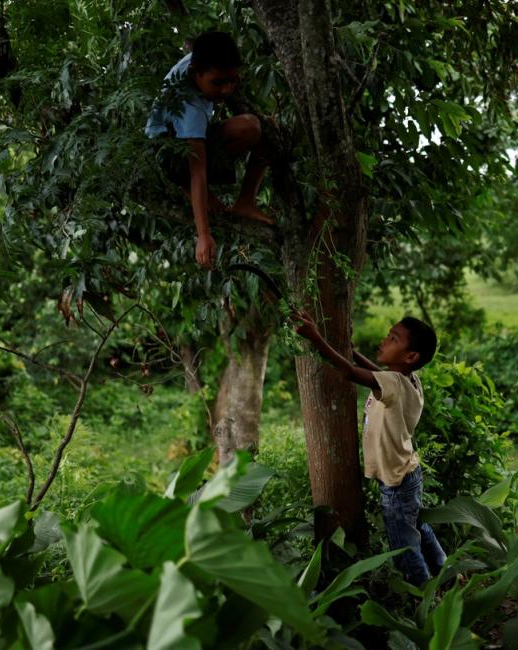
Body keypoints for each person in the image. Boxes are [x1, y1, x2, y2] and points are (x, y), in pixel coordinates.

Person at [293, 311, 447, 587]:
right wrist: (352, 352)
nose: (384, 340)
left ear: (410, 357)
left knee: (404, 546)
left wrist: (315, 338)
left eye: (393, 338)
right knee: (418, 528)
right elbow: (371, 374)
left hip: (396, 484)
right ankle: (447, 572)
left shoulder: (392, 384)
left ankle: (424, 598)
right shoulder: (407, 380)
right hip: (408, 473)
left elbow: (349, 373)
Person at [145, 30, 273, 269]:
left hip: (175, 138)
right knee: (252, 127)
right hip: (171, 153)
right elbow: (198, 171)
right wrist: (203, 235)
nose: (226, 90)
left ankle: (245, 202)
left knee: (269, 131)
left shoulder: (201, 61)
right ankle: (203, 195)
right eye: (218, 82)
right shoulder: (190, 109)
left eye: (232, 81)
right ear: (196, 73)